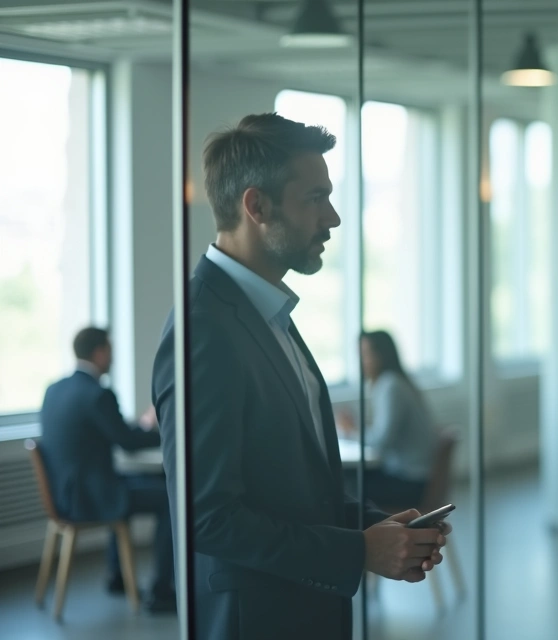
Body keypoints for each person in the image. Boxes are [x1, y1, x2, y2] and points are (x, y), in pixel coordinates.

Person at [151, 113, 448, 640]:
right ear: (256, 205)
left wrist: (372, 528)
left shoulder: (268, 317)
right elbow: (207, 517)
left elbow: (293, 490)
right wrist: (359, 550)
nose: (332, 217)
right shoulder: (206, 327)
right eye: (315, 197)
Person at [38, 327, 175, 612]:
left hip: (64, 496)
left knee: (140, 480)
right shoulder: (98, 394)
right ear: (99, 352)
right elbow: (128, 443)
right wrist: (165, 428)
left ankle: (117, 577)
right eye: (110, 350)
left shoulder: (55, 389)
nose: (112, 357)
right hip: (93, 498)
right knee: (169, 497)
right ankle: (162, 592)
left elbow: (118, 434)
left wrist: (143, 426)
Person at [338, 331, 438, 509]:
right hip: (412, 476)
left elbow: (381, 441)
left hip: (408, 481)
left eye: (365, 355)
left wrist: (351, 430)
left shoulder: (390, 385)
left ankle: (363, 536)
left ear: (380, 356)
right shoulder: (396, 381)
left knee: (345, 485)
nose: (361, 362)